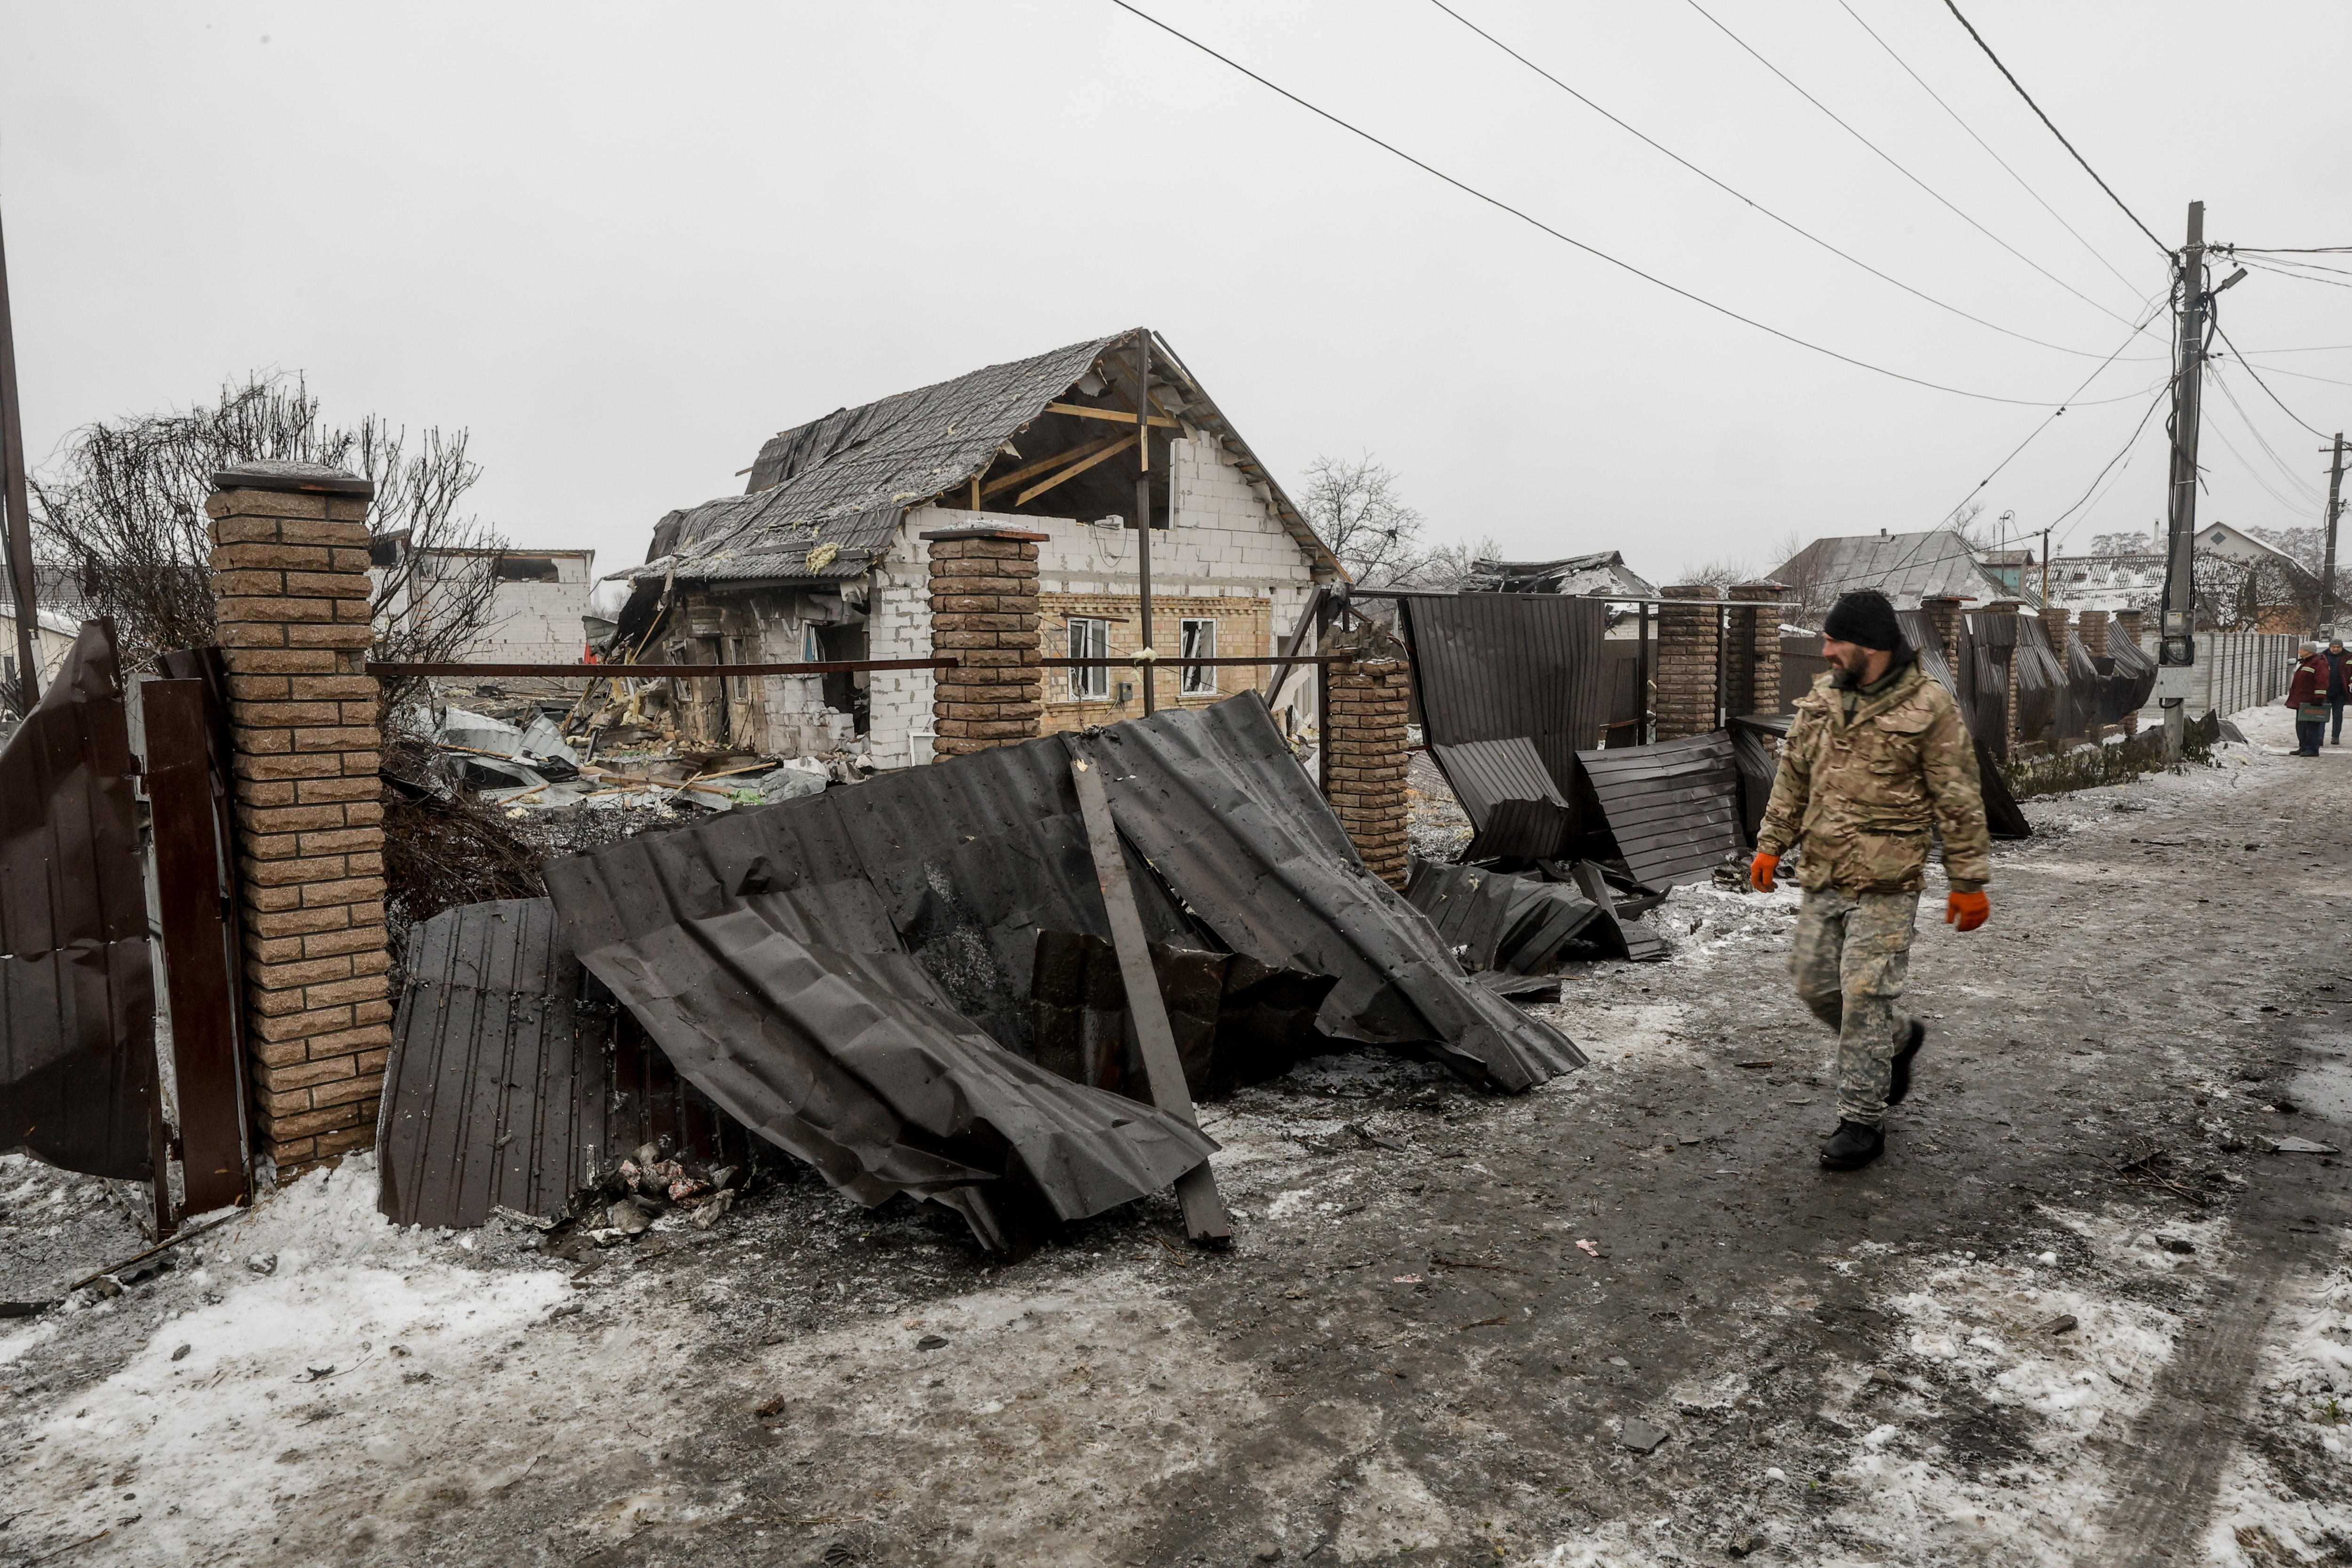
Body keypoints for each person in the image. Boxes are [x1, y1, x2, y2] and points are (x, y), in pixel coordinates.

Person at [1751, 589, 1993, 1172]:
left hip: (1887, 880)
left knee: (1862, 996)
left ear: (1871, 645)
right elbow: (1792, 777)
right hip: (1823, 873)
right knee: (1814, 986)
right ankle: (1898, 1040)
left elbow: (1957, 796)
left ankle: (1861, 1121)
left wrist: (1967, 879)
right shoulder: (1821, 701)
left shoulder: (1928, 705)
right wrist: (1769, 844)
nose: (1826, 651)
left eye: (1835, 641)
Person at [2287, 642, 2330, 757]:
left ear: (2308, 651)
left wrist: (2319, 699)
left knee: (2312, 726)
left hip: (2312, 701)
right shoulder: (2306, 663)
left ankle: (2313, 749)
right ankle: (2304, 747)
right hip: (2302, 701)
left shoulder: (2319, 664)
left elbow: (2322, 682)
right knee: (2301, 726)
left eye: (2301, 650)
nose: (2299, 652)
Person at [2325, 637, 2349, 747]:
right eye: (2333, 647)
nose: (2335, 649)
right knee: (2321, 714)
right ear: (2330, 647)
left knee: (2338, 715)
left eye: (2338, 647)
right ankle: (2320, 737)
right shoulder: (2323, 657)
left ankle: (2335, 737)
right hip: (2325, 691)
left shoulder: (2348, 657)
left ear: (2342, 647)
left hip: (2340, 691)